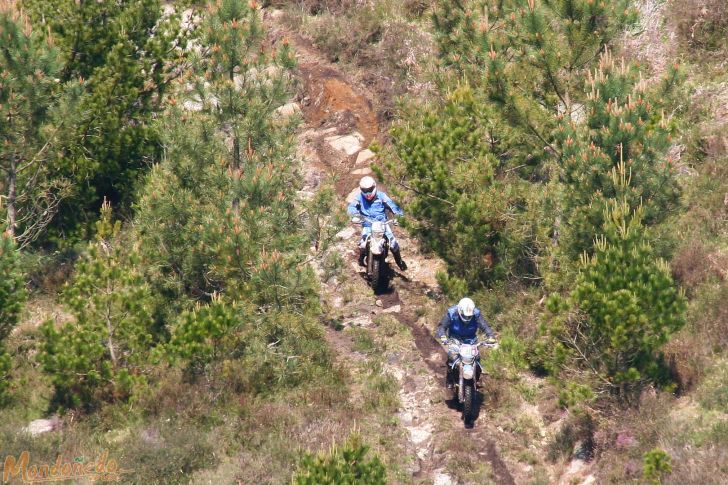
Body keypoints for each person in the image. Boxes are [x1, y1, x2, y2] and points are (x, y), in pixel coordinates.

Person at [347, 176, 407, 271]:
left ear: (374, 187)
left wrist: (400, 216)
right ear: (361, 189)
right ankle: (361, 258)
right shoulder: (359, 198)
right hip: (368, 224)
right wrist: (355, 215)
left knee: (393, 244)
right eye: (365, 190)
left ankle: (399, 262)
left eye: (370, 190)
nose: (367, 193)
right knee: (362, 244)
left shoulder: (382, 196)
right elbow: (351, 207)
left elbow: (393, 206)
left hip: (382, 224)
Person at [436, 297, 497, 388]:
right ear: (460, 311)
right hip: (455, 339)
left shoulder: (476, 314)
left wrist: (490, 336)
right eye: (465, 316)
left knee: (476, 358)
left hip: (471, 340)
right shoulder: (452, 313)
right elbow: (442, 327)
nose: (467, 318)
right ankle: (450, 379)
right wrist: (443, 336)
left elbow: (485, 326)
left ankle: (476, 379)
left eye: (469, 316)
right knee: (452, 357)